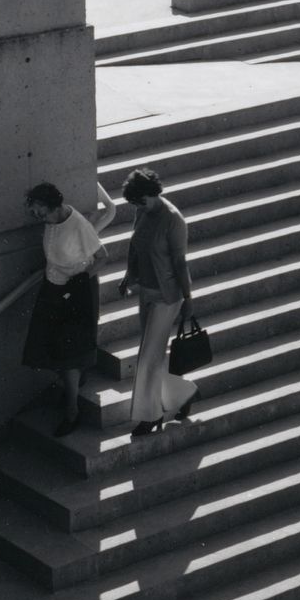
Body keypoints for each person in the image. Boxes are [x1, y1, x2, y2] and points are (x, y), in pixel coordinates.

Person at [21, 180, 117, 437]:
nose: (36, 214)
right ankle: (74, 382)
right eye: (34, 209)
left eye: (39, 209)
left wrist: (81, 282)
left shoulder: (78, 225)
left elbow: (103, 256)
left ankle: (72, 410)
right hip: (52, 289)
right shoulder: (52, 221)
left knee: (68, 353)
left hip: (74, 293)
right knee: (49, 346)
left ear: (51, 205)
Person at [118, 167, 199, 439]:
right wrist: (129, 275)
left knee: (148, 357)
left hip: (168, 296)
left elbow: (179, 262)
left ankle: (149, 416)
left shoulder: (173, 220)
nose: (137, 207)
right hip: (146, 292)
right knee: (152, 355)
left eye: (140, 201)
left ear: (151, 194)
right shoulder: (143, 211)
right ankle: (182, 393)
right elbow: (135, 245)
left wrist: (188, 298)